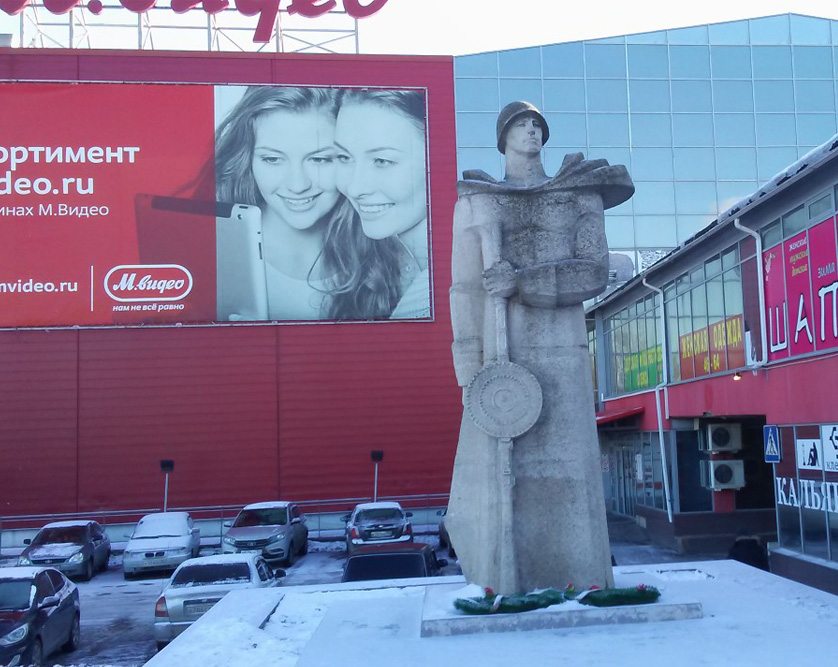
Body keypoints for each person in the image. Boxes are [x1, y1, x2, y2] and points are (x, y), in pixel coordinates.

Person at [445, 101, 633, 593]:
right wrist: (469, 365)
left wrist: (522, 283)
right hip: (499, 358)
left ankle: (580, 577)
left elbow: (593, 270)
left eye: (537, 125)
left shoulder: (577, 195)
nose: (531, 131)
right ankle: (501, 581)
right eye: (520, 124)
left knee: (572, 477)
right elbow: (463, 287)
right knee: (499, 482)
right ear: (502, 136)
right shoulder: (477, 201)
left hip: (563, 351)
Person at [213, 86, 399, 321]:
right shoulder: (207, 257)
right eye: (272, 159)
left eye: (319, 159)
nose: (297, 185)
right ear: (247, 160)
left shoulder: (392, 258)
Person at [332, 89, 430, 319]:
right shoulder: (362, 255)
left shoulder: (444, 281)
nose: (355, 188)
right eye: (344, 157)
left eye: (382, 161)